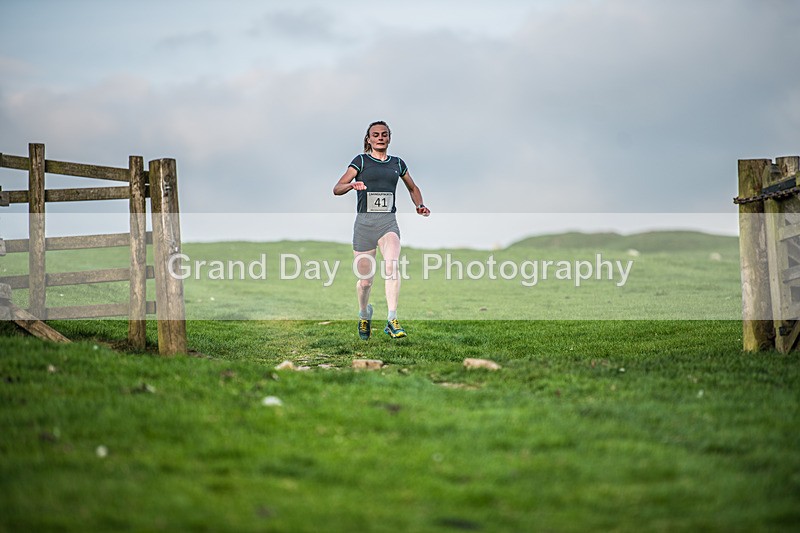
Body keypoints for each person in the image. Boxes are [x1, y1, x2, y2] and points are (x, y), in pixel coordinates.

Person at [333, 121, 430, 340]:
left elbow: (412, 187)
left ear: (389, 138)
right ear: (368, 139)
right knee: (365, 281)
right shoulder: (360, 161)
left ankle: (392, 319)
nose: (380, 138)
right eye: (375, 135)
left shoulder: (397, 163)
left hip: (388, 223)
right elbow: (337, 188)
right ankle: (364, 313)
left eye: (384, 134)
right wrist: (351, 185)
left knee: (392, 266)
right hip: (364, 225)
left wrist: (419, 205)